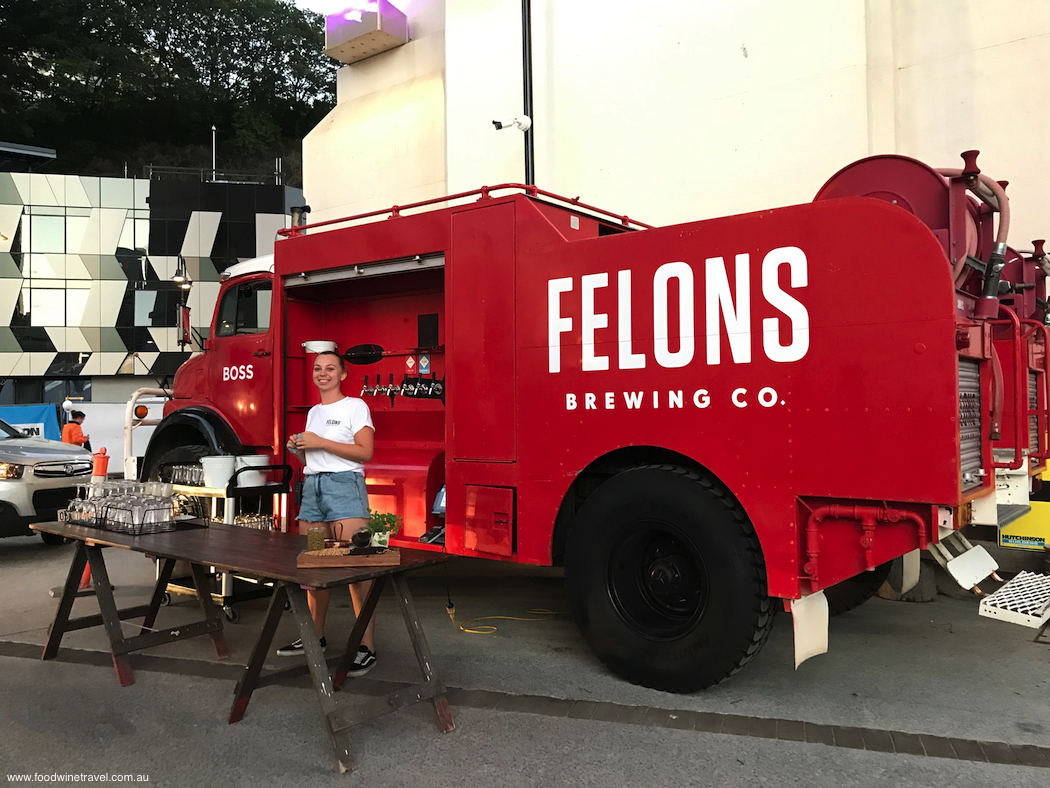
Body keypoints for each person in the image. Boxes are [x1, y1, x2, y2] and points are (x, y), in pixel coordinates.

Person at [276, 350, 378, 676]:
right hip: (314, 492)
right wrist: (300, 451)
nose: (323, 373)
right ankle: (314, 637)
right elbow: (314, 460)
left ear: (343, 374)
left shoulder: (355, 406)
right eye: (318, 368)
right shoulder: (313, 412)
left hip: (345, 490)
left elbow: (366, 451)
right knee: (316, 568)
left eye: (330, 368)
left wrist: (319, 441)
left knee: (357, 568)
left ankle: (367, 647)